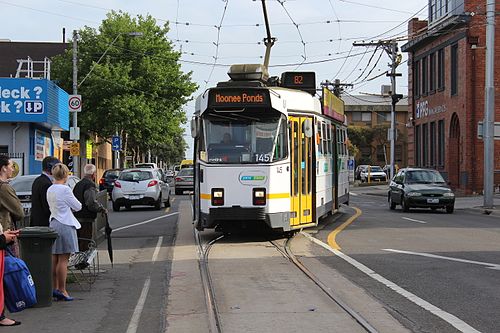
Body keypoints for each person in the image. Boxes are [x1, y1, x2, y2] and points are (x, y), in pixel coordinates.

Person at [47, 163, 82, 301]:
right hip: (65, 224)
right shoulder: (65, 189)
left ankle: (54, 288)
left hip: (53, 222)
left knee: (54, 258)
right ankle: (63, 289)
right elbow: (77, 206)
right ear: (66, 175)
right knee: (63, 259)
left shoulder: (50, 189)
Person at [0, 155, 22, 326]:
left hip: (4, 233)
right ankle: (3, 312)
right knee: (7, 274)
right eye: (10, 165)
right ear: (3, 168)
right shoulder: (4, 188)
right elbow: (19, 211)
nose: (12, 168)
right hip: (4, 234)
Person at [73, 164, 107, 250]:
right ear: (93, 174)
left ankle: (78, 260)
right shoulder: (90, 185)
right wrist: (101, 209)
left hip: (76, 218)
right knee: (85, 242)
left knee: (79, 243)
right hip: (86, 219)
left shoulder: (78, 184)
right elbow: (91, 203)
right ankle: (82, 262)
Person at [31, 156, 60, 227]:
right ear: (51, 167)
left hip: (36, 221)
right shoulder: (46, 184)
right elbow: (47, 205)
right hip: (44, 223)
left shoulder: (38, 180)